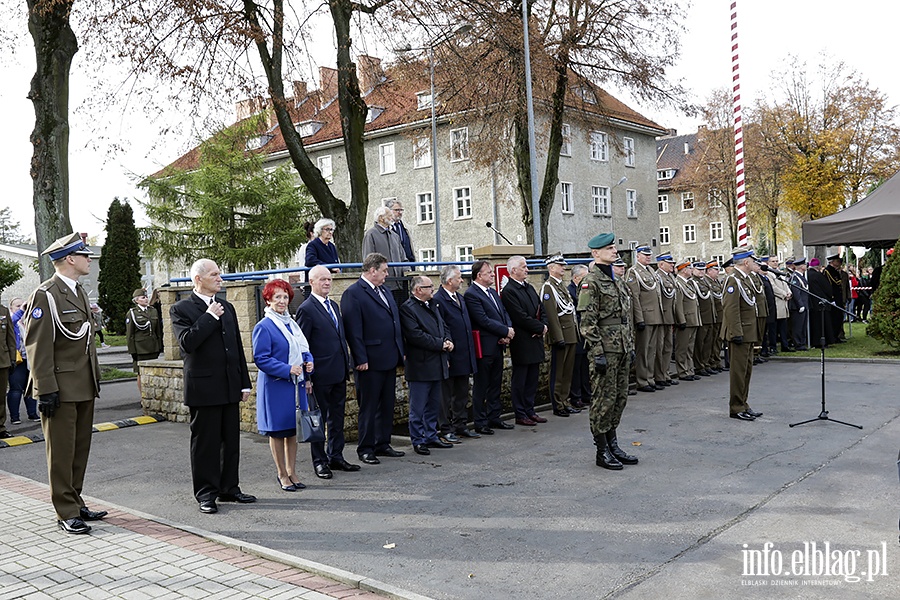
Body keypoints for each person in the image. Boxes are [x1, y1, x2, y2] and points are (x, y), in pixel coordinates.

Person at [24, 233, 104, 534]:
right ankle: (65, 511)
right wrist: (45, 389)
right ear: (70, 259)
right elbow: (37, 346)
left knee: (79, 449)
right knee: (61, 452)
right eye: (85, 256)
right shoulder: (46, 295)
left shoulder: (78, 291)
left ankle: (76, 500)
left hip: (84, 384)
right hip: (60, 386)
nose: (88, 260)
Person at [171, 259, 255, 514]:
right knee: (205, 443)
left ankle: (229, 487)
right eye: (214, 274)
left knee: (230, 441)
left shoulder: (226, 307)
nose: (220, 278)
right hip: (204, 388)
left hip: (229, 385)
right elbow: (187, 343)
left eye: (220, 274)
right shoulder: (181, 308)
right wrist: (208, 317)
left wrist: (244, 382)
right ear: (198, 279)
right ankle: (206, 493)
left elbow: (236, 348)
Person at [577, 233, 637, 470]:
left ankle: (613, 444)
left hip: (621, 348)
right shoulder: (590, 282)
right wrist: (597, 352)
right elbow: (588, 322)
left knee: (619, 397)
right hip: (605, 350)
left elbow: (625, 319)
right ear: (596, 253)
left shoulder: (618, 281)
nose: (615, 251)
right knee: (603, 399)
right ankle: (601, 450)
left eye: (615, 247)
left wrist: (630, 346)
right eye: (610, 248)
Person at [296, 265, 360, 478]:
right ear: (311, 282)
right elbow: (303, 346)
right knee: (318, 419)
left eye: (329, 279)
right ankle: (319, 461)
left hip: (339, 371)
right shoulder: (306, 308)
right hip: (319, 375)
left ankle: (336, 456)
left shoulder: (333, 304)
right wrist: (307, 377)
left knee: (337, 417)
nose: (327, 283)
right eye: (322, 279)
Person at [341, 252, 405, 465]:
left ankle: (383, 443)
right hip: (369, 360)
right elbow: (353, 330)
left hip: (389, 356)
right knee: (369, 406)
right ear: (372, 270)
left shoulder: (384, 290)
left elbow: (394, 323)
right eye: (384, 270)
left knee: (387, 403)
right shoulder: (354, 293)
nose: (387, 274)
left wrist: (400, 350)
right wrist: (360, 358)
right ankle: (366, 447)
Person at [253, 279, 314, 492]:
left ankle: (292, 471)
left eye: (285, 296)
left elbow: (302, 348)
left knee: (292, 431)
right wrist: (287, 369)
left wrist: (309, 360)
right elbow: (261, 358)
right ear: (268, 299)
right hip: (276, 387)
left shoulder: (292, 323)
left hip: (295, 385)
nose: (282, 301)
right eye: (277, 297)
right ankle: (281, 474)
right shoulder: (264, 326)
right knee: (278, 432)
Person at [400, 276, 454, 455]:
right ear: (418, 290)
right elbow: (416, 335)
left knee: (433, 404)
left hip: (437, 362)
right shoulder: (408, 308)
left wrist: (447, 340)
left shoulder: (433, 304)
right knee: (418, 406)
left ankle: (431, 435)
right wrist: (440, 344)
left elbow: (443, 325)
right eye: (429, 286)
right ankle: (418, 439)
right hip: (420, 365)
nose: (433, 289)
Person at [464, 260, 515, 434]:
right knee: (482, 385)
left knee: (495, 383)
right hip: (484, 347)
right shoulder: (472, 294)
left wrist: (507, 331)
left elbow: (504, 313)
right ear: (479, 275)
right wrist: (505, 331)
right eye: (489, 273)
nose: (493, 275)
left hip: (498, 344)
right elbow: (482, 320)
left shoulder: (492, 292)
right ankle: (480, 421)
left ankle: (495, 417)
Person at [501, 255, 548, 427]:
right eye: (523, 267)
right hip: (522, 341)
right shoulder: (509, 291)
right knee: (520, 379)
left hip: (535, 339)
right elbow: (519, 317)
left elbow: (540, 308)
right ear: (513, 270)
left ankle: (530, 409)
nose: (527, 269)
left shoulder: (529, 287)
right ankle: (520, 413)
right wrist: (538, 328)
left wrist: (543, 325)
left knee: (533, 378)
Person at [434, 265, 479, 442]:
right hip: (451, 354)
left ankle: (461, 424)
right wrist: (447, 354)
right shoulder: (438, 300)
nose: (462, 280)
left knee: (461, 392)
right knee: (445, 395)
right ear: (449, 280)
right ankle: (445, 428)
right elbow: (442, 328)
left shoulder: (459, 298)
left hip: (464, 353)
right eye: (459, 277)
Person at [720, 247, 764, 422]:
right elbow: (731, 309)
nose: (755, 264)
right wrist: (736, 332)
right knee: (738, 372)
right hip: (740, 332)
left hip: (748, 331)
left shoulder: (745, 279)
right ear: (746, 262)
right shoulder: (733, 280)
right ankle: (736, 407)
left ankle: (743, 403)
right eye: (753, 261)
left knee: (746, 371)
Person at [541, 253, 580, 416]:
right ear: (551, 268)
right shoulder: (548, 287)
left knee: (567, 371)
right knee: (558, 372)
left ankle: (565, 400)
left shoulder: (560, 285)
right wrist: (558, 337)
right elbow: (551, 314)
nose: (563, 267)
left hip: (570, 333)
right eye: (560, 265)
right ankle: (557, 403)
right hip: (561, 335)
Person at [625, 245, 664, 393]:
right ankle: (642, 380)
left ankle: (650, 377)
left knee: (652, 350)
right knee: (643, 350)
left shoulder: (651, 271)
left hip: (655, 316)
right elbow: (635, 296)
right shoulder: (633, 272)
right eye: (645, 255)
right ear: (637, 256)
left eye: (649, 255)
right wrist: (639, 318)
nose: (648, 257)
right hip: (645, 316)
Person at [6, 298, 38, 425]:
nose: (21, 308)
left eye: (22, 305)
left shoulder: (28, 321)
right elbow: (11, 322)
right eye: (17, 306)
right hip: (18, 360)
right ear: (12, 308)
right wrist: (21, 311)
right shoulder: (12, 321)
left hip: (30, 359)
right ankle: (15, 417)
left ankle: (32, 413)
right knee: (16, 388)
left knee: (30, 387)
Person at [126, 288, 163, 396]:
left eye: (146, 297)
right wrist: (132, 351)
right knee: (141, 373)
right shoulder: (132, 313)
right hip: (140, 348)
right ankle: (144, 396)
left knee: (153, 372)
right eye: (143, 297)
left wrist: (159, 345)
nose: (146, 299)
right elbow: (130, 334)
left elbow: (158, 331)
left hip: (152, 346)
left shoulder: (152, 310)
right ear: (137, 300)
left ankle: (153, 394)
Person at [362, 206, 405, 291]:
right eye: (389, 215)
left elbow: (403, 257)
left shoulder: (395, 236)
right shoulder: (371, 234)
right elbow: (368, 259)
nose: (392, 218)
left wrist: (407, 270)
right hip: (382, 284)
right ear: (381, 218)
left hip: (399, 283)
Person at [567, 264, 592, 409]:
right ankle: (576, 397)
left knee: (584, 366)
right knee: (576, 368)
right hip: (577, 332)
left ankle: (586, 394)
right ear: (576, 278)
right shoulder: (570, 291)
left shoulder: (585, 289)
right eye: (584, 277)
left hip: (585, 332)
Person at [653, 254, 679, 387]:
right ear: (660, 264)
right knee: (660, 348)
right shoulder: (658, 277)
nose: (672, 265)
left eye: (672, 263)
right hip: (661, 317)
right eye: (669, 263)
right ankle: (659, 376)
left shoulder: (670, 277)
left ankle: (666, 373)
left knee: (668, 347)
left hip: (669, 316)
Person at [673, 261, 700, 381]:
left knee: (690, 347)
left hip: (693, 319)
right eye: (689, 268)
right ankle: (682, 371)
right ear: (684, 270)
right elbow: (678, 304)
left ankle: (689, 369)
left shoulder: (688, 284)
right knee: (682, 348)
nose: (691, 269)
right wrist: (681, 320)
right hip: (686, 320)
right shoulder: (678, 283)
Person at [690, 261, 716, 377]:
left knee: (708, 343)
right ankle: (699, 365)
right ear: (693, 270)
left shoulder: (705, 281)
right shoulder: (693, 282)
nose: (701, 272)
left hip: (710, 316)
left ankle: (705, 363)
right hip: (701, 317)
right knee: (699, 343)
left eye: (703, 270)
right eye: (699, 270)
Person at [807, 258, 835, 347]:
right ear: (818, 267)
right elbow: (827, 288)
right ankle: (823, 341)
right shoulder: (819, 276)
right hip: (821, 302)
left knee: (814, 323)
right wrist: (831, 296)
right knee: (823, 324)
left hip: (811, 302)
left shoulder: (806, 275)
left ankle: (813, 341)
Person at [767, 257, 793, 352]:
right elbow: (773, 287)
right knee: (773, 327)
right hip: (776, 302)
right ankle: (773, 346)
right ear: (768, 263)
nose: (775, 263)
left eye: (777, 261)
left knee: (783, 326)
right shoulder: (769, 274)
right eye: (773, 261)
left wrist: (789, 292)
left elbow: (785, 284)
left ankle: (784, 345)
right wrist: (784, 294)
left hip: (783, 302)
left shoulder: (779, 272)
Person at [0, 299, 17, 437]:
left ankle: (0, 428)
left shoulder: (3, 311)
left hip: (2, 360)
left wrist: (12, 358)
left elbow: (10, 337)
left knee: (0, 397)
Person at [705, 261, 725, 372]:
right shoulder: (707, 282)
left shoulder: (716, 281)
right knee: (711, 341)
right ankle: (711, 361)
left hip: (720, 315)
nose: (718, 272)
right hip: (714, 315)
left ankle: (716, 361)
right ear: (709, 271)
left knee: (718, 340)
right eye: (716, 270)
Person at [788, 258, 810, 350]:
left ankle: (802, 342)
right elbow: (796, 292)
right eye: (805, 265)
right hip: (797, 307)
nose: (806, 266)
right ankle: (798, 343)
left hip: (804, 305)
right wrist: (800, 305)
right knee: (798, 326)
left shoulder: (801, 276)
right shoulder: (795, 277)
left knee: (803, 325)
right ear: (801, 266)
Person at [825, 255, 847, 342]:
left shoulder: (835, 271)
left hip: (838, 297)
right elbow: (835, 282)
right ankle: (833, 336)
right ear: (832, 261)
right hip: (834, 298)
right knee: (835, 318)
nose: (839, 263)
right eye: (837, 261)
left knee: (839, 318)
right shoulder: (828, 271)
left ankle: (837, 335)